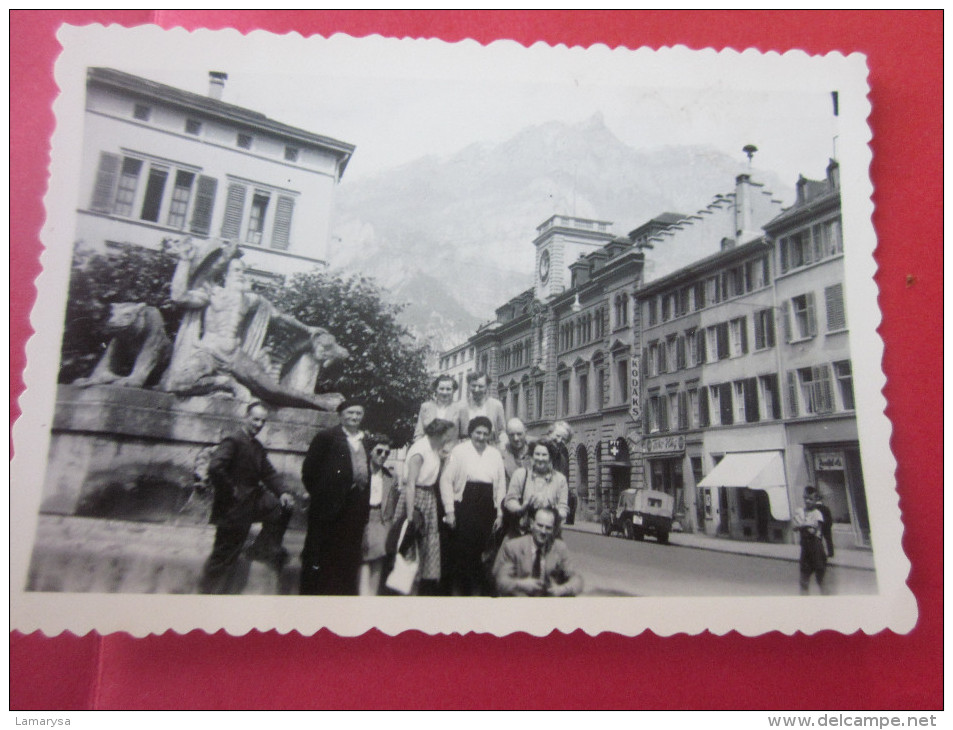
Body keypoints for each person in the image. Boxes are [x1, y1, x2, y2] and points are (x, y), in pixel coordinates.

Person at [198, 401, 294, 594]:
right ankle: (205, 597)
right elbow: (216, 467)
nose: (258, 424)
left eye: (262, 421)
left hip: (252, 502)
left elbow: (269, 474)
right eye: (255, 419)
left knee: (281, 507)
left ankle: (261, 548)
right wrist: (232, 490)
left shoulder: (257, 446)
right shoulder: (233, 441)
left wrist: (283, 492)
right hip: (233, 508)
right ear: (246, 418)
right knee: (224, 555)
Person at [300, 400, 371, 595]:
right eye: (350, 413)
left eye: (358, 413)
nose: (354, 417)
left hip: (353, 509)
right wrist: (322, 497)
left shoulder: (365, 440)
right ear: (340, 415)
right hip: (327, 509)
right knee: (320, 554)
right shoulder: (327, 437)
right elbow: (309, 471)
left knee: (347, 556)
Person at [440, 416, 507, 596]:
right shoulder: (459, 451)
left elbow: (501, 485)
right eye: (478, 432)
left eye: (485, 433)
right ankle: (463, 593)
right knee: (463, 554)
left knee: (484, 553)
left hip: (487, 506)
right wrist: (450, 511)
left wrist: (500, 513)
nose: (481, 437)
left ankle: (480, 595)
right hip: (465, 504)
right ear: (471, 433)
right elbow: (446, 481)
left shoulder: (494, 454)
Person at [393, 418, 458, 595]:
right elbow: (411, 484)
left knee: (425, 548)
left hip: (429, 498)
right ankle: (404, 594)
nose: (448, 439)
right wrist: (410, 516)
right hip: (415, 499)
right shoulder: (419, 451)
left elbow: (445, 458)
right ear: (438, 434)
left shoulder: (434, 449)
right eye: (446, 436)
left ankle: (416, 591)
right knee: (410, 545)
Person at [493, 507, 583, 597]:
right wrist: (521, 584)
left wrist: (562, 589)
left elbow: (577, 580)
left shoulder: (559, 548)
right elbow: (501, 581)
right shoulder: (513, 547)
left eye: (548, 528)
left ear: (553, 530)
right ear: (532, 524)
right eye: (540, 525)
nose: (543, 531)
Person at [502, 439, 570, 539]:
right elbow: (510, 500)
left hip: (549, 535)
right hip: (523, 533)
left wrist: (556, 512)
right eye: (537, 454)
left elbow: (563, 508)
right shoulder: (520, 474)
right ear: (532, 456)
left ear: (550, 457)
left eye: (544, 455)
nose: (540, 458)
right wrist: (521, 508)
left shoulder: (560, 480)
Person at [359, 434, 399, 596]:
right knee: (362, 559)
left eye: (387, 453)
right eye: (379, 451)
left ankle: (372, 596)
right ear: (370, 451)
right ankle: (362, 595)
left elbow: (392, 505)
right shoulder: (361, 473)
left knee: (378, 559)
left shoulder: (390, 477)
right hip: (362, 518)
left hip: (380, 521)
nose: (383, 456)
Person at [794, 486, 829, 595]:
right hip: (805, 551)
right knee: (803, 581)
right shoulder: (800, 511)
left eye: (810, 499)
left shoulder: (817, 514)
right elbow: (794, 527)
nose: (807, 501)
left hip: (816, 549)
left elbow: (815, 531)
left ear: (815, 500)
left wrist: (803, 525)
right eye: (805, 498)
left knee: (821, 581)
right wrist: (805, 525)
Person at [413, 374, 468, 442]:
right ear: (436, 389)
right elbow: (419, 434)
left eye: (448, 389)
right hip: (428, 450)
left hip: (452, 450)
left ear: (454, 390)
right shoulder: (426, 407)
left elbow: (465, 437)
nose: (444, 392)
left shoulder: (461, 408)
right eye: (441, 389)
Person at [460, 372, 506, 445]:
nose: (476, 389)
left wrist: (502, 446)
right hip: (466, 450)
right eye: (473, 386)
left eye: (480, 386)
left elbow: (502, 431)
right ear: (469, 386)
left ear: (487, 387)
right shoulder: (461, 407)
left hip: (490, 449)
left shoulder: (496, 405)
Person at [549, 421, 577, 524]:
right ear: (550, 433)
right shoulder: (536, 452)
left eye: (564, 439)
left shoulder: (562, 461)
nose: (559, 440)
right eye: (557, 436)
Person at [501, 417, 531, 483]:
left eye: (519, 434)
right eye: (511, 435)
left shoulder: (535, 452)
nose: (516, 438)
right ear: (507, 435)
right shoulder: (501, 456)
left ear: (525, 432)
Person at [815, 493, 835, 558]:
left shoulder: (815, 509)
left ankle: (821, 554)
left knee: (819, 541)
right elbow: (830, 518)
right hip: (826, 527)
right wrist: (829, 525)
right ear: (821, 500)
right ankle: (831, 553)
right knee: (829, 540)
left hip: (819, 527)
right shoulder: (826, 508)